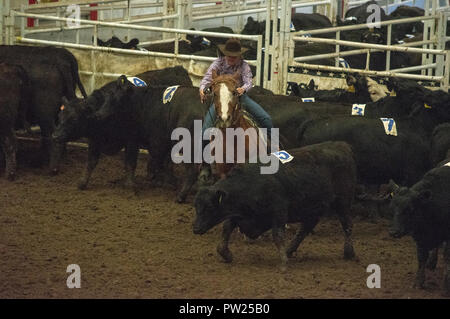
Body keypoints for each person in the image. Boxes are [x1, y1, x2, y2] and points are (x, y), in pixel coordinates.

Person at [199, 38, 273, 142]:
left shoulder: (244, 65)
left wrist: (242, 89)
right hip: (221, 98)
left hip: (239, 96)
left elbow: (248, 82)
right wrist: (202, 89)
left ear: (239, 56)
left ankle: (273, 144)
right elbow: (207, 78)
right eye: (229, 55)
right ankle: (203, 156)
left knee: (266, 119)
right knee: (205, 130)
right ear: (225, 54)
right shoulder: (218, 63)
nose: (231, 58)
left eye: (234, 56)